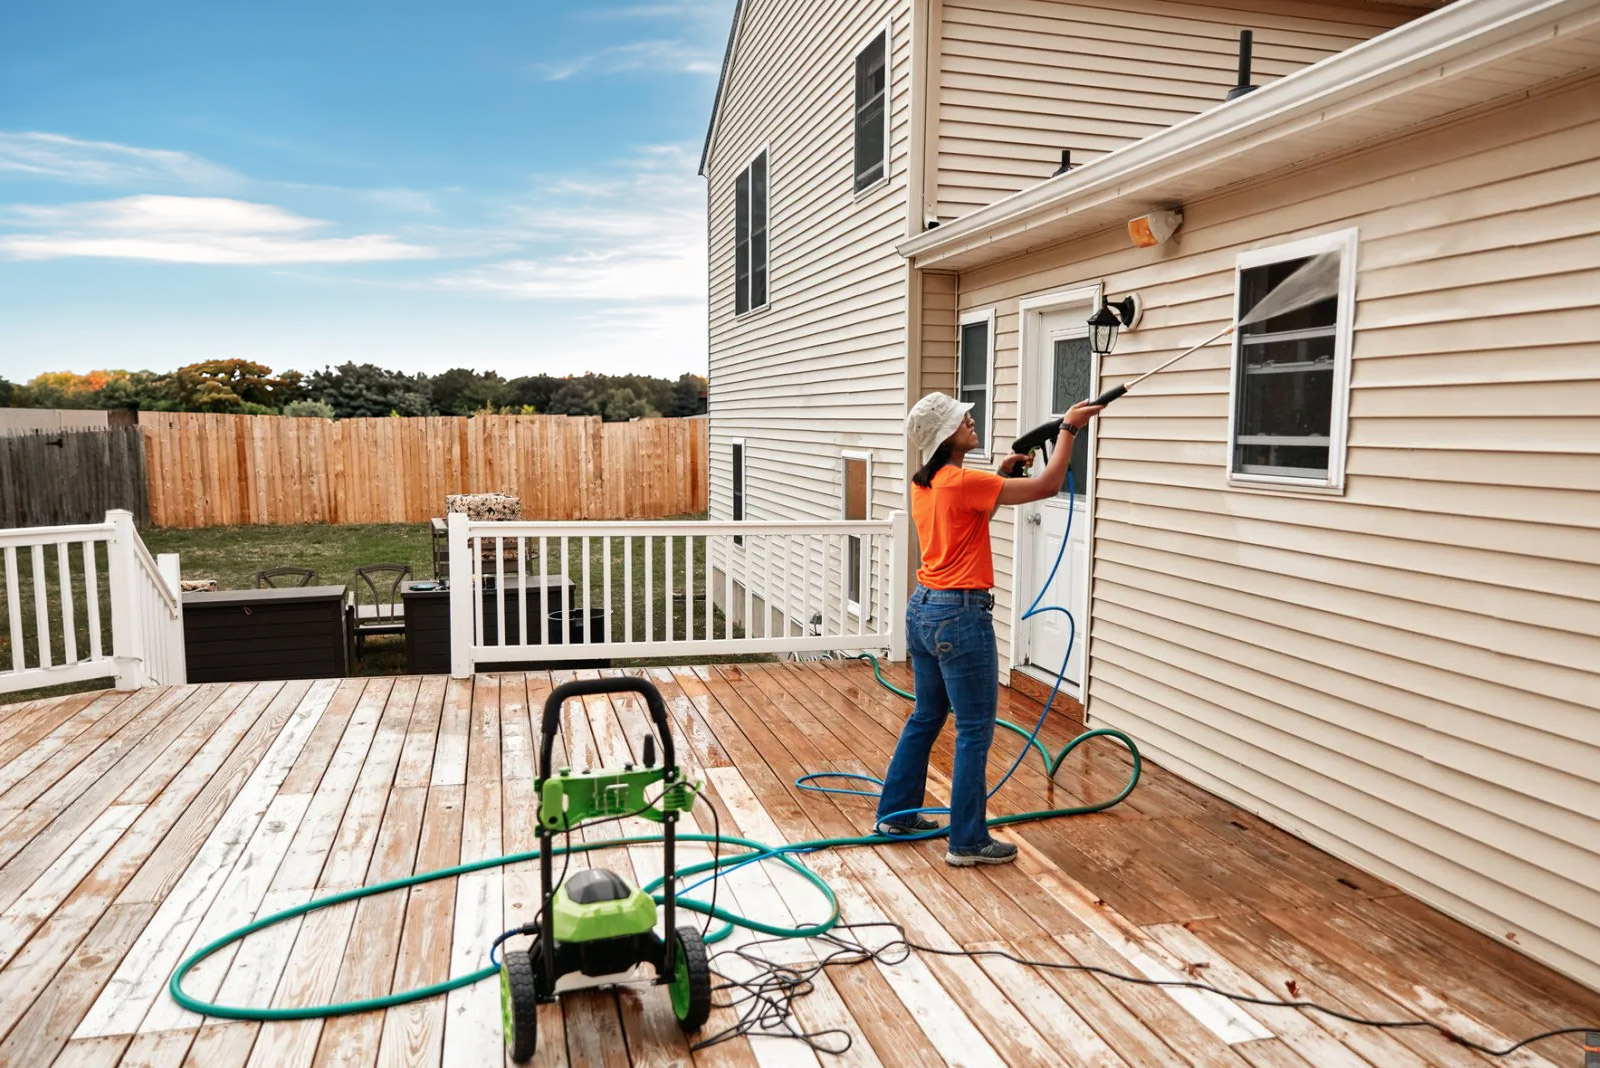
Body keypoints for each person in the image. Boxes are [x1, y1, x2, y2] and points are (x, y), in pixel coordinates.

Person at [874, 391, 1103, 866]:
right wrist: (1069, 430)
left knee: (926, 715)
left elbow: (973, 515)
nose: (971, 420)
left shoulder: (927, 483)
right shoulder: (961, 481)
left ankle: (895, 813)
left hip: (923, 611)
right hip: (960, 616)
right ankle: (968, 841)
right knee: (975, 728)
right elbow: (1047, 487)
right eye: (963, 420)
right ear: (944, 436)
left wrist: (999, 476)